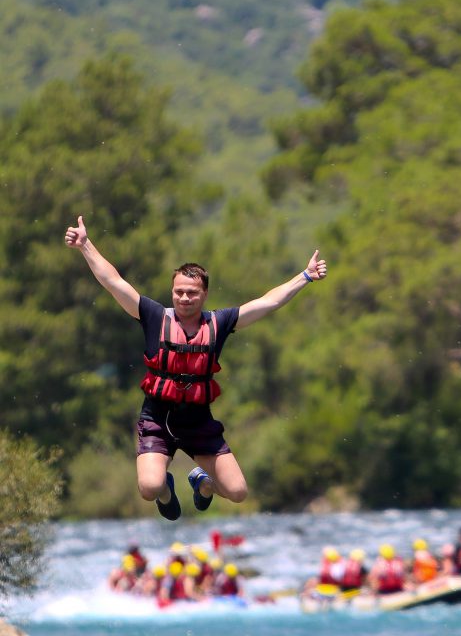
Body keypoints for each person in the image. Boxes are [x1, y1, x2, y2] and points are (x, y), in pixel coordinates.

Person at [64, 215, 328, 520]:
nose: (184, 298)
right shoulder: (152, 316)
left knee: (238, 492)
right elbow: (113, 282)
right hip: (157, 420)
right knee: (149, 488)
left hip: (198, 422)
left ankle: (202, 484)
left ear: (204, 294)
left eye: (192, 292)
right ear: (172, 291)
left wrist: (305, 276)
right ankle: (166, 488)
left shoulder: (219, 323)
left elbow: (267, 303)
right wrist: (86, 245)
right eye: (178, 292)